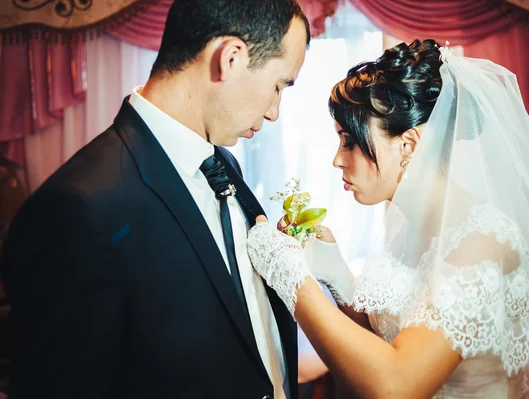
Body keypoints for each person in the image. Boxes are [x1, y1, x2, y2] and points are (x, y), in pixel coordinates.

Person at [247, 39, 529, 398]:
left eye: (350, 141)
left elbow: (398, 385)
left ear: (409, 145)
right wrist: (339, 280)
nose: (337, 160)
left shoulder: (481, 239)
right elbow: (391, 341)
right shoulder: (411, 223)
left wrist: (292, 278)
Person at [0, 0, 309, 398]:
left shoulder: (221, 164)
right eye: (279, 85)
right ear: (230, 58)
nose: (274, 112)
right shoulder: (79, 209)